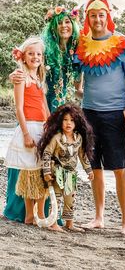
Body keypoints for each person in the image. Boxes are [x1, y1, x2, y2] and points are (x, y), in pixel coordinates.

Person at [3, 6, 80, 223]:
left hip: (58, 112)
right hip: (36, 116)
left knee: (52, 163)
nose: (64, 26)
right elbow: (26, 78)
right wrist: (17, 72)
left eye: (68, 22)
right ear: (52, 26)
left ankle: (52, 215)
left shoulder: (75, 51)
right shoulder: (45, 53)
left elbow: (75, 80)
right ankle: (27, 213)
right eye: (59, 23)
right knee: (32, 166)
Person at [73, 0, 125, 235]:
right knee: (95, 167)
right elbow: (74, 76)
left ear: (107, 16)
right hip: (88, 112)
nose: (97, 19)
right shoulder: (82, 45)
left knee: (120, 168)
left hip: (115, 114)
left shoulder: (121, 44)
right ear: (87, 18)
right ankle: (98, 216)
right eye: (92, 15)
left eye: (101, 15)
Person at [4, 37, 50, 224]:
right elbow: (19, 108)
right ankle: (30, 214)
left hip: (42, 127)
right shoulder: (21, 76)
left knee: (40, 170)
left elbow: (44, 106)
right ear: (23, 56)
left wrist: (50, 126)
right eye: (31, 53)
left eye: (38, 54)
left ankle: (39, 213)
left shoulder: (38, 78)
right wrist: (25, 134)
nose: (35, 57)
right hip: (29, 126)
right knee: (29, 171)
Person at [37, 103, 94, 232]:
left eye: (72, 120)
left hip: (71, 174)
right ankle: (54, 223)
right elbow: (47, 154)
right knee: (56, 198)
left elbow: (82, 156)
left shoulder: (78, 139)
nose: (68, 123)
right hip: (57, 172)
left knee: (70, 199)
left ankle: (69, 223)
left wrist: (89, 170)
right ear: (60, 121)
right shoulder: (56, 138)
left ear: (77, 123)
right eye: (65, 120)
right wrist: (46, 172)